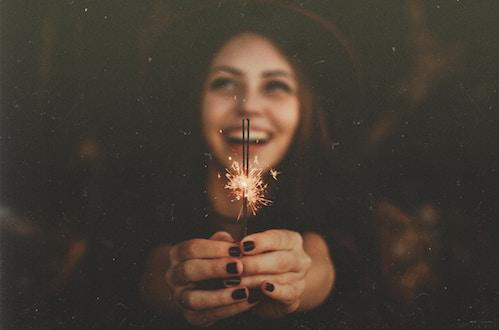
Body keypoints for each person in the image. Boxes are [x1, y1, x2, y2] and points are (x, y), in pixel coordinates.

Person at [137, 1, 375, 328]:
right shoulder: (144, 192)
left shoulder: (341, 200)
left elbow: (325, 264)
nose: (248, 107)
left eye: (275, 86)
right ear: (195, 99)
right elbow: (141, 271)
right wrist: (171, 280)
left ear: (305, 107)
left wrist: (302, 280)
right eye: (224, 83)